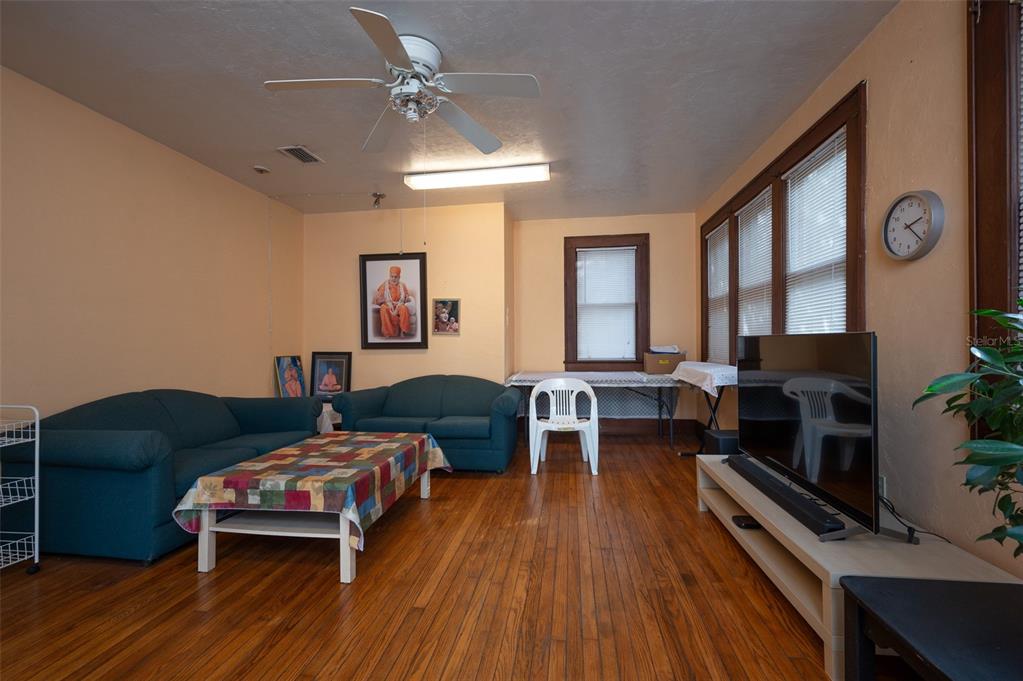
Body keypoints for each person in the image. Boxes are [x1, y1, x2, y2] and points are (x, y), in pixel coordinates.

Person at [373, 265, 414, 337]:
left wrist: (406, 298)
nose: (393, 279)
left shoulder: (402, 285)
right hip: (388, 305)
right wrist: (384, 301)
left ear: (399, 277)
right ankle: (388, 333)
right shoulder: (384, 285)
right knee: (383, 308)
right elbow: (378, 298)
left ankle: (403, 331)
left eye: (396, 277)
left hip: (399, 304)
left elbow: (406, 296)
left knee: (404, 308)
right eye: (392, 276)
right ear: (389, 276)